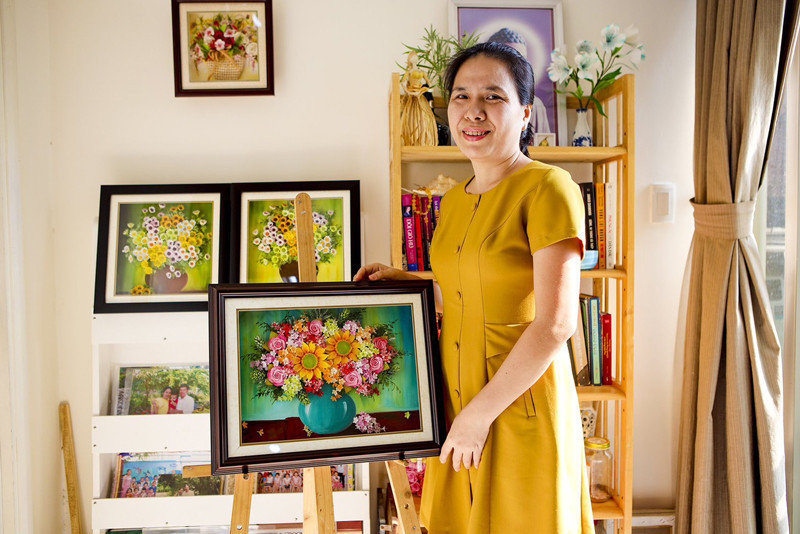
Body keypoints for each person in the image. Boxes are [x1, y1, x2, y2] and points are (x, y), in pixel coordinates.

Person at [354, 42, 593, 533]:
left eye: (493, 97)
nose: (473, 111)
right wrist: (411, 285)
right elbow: (468, 299)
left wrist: (477, 416)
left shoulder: (550, 187)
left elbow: (555, 324)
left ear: (525, 113)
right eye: (460, 97)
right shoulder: (454, 201)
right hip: (456, 397)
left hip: (514, 400)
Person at [486, 27, 552, 136]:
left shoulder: (536, 106)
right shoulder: (479, 104)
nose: (515, 66)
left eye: (521, 60)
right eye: (508, 59)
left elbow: (543, 145)